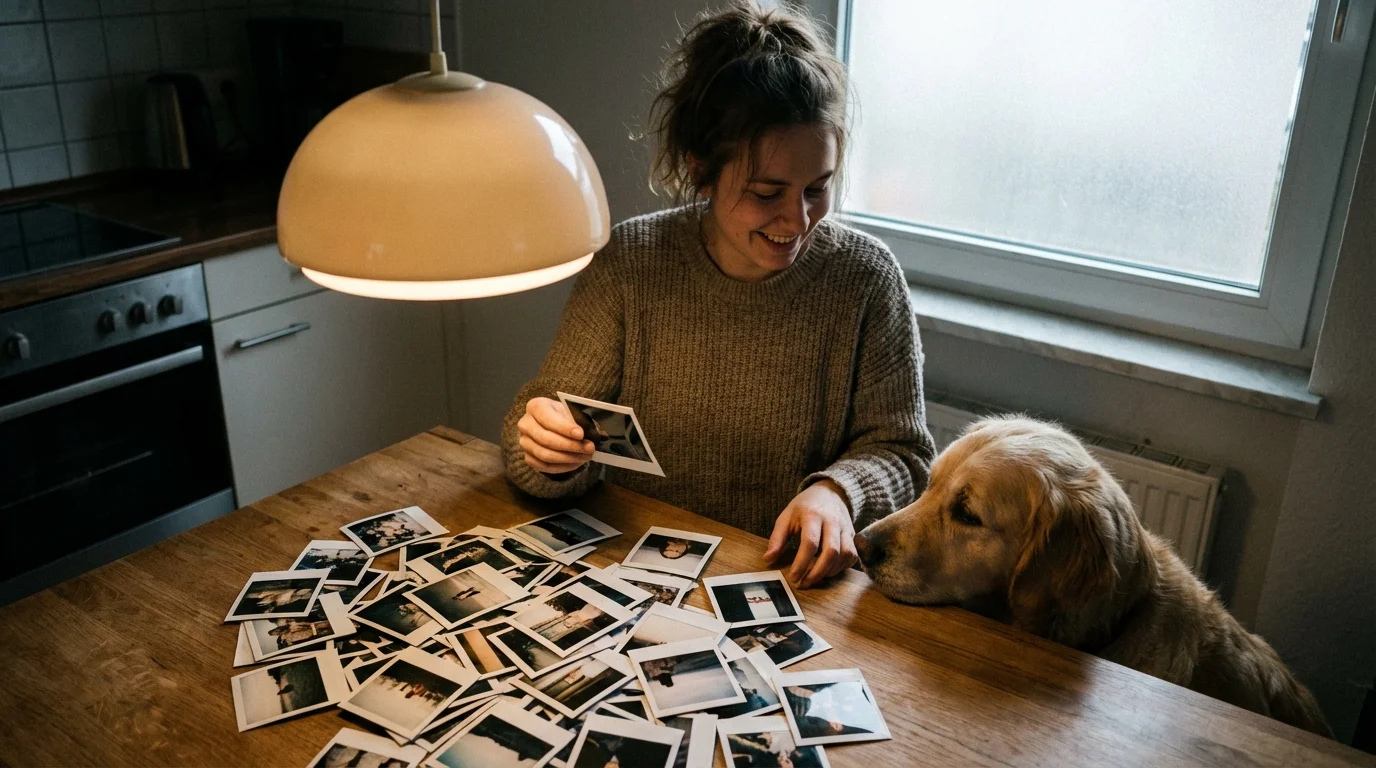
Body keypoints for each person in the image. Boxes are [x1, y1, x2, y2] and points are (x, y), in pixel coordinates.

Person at [503, 0, 934, 589]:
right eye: (766, 192)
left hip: (789, 584)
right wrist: (548, 449)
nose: (797, 219)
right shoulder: (631, 263)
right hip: (630, 577)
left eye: (818, 187)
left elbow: (904, 451)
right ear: (700, 168)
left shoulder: (865, 278)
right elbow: (530, 428)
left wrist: (839, 492)